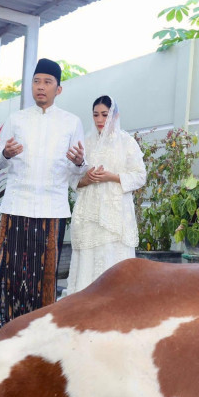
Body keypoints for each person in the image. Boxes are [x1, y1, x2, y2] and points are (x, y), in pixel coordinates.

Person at [0, 59, 87, 333]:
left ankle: (41, 327)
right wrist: (6, 153)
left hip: (52, 207)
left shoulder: (71, 122)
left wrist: (79, 162)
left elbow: (78, 172)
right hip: (18, 203)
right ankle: (5, 325)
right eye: (36, 81)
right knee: (12, 266)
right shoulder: (16, 119)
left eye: (47, 82)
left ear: (59, 89)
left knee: (46, 271)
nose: (40, 87)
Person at [65, 95, 146, 295]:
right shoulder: (86, 142)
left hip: (115, 215)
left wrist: (111, 176)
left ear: (115, 115)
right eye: (95, 115)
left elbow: (140, 176)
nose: (99, 120)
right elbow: (73, 179)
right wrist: (87, 177)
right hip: (88, 214)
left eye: (104, 114)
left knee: (112, 257)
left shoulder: (127, 142)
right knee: (87, 259)